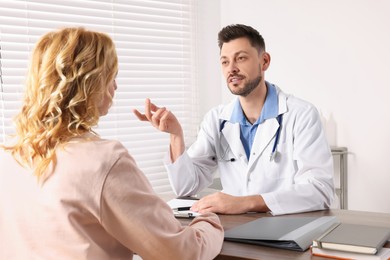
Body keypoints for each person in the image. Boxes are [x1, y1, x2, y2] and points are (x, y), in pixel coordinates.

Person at [0, 27, 223, 260]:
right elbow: (181, 253)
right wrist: (209, 222)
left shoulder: (8, 156)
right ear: (90, 82)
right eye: (111, 75)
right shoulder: (103, 160)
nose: (115, 86)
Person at [133, 24, 335, 216]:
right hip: (234, 229)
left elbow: (320, 190)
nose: (231, 68)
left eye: (241, 58)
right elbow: (186, 186)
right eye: (225, 61)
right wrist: (175, 136)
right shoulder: (217, 119)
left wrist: (245, 202)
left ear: (264, 61)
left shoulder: (301, 114)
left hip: (287, 230)